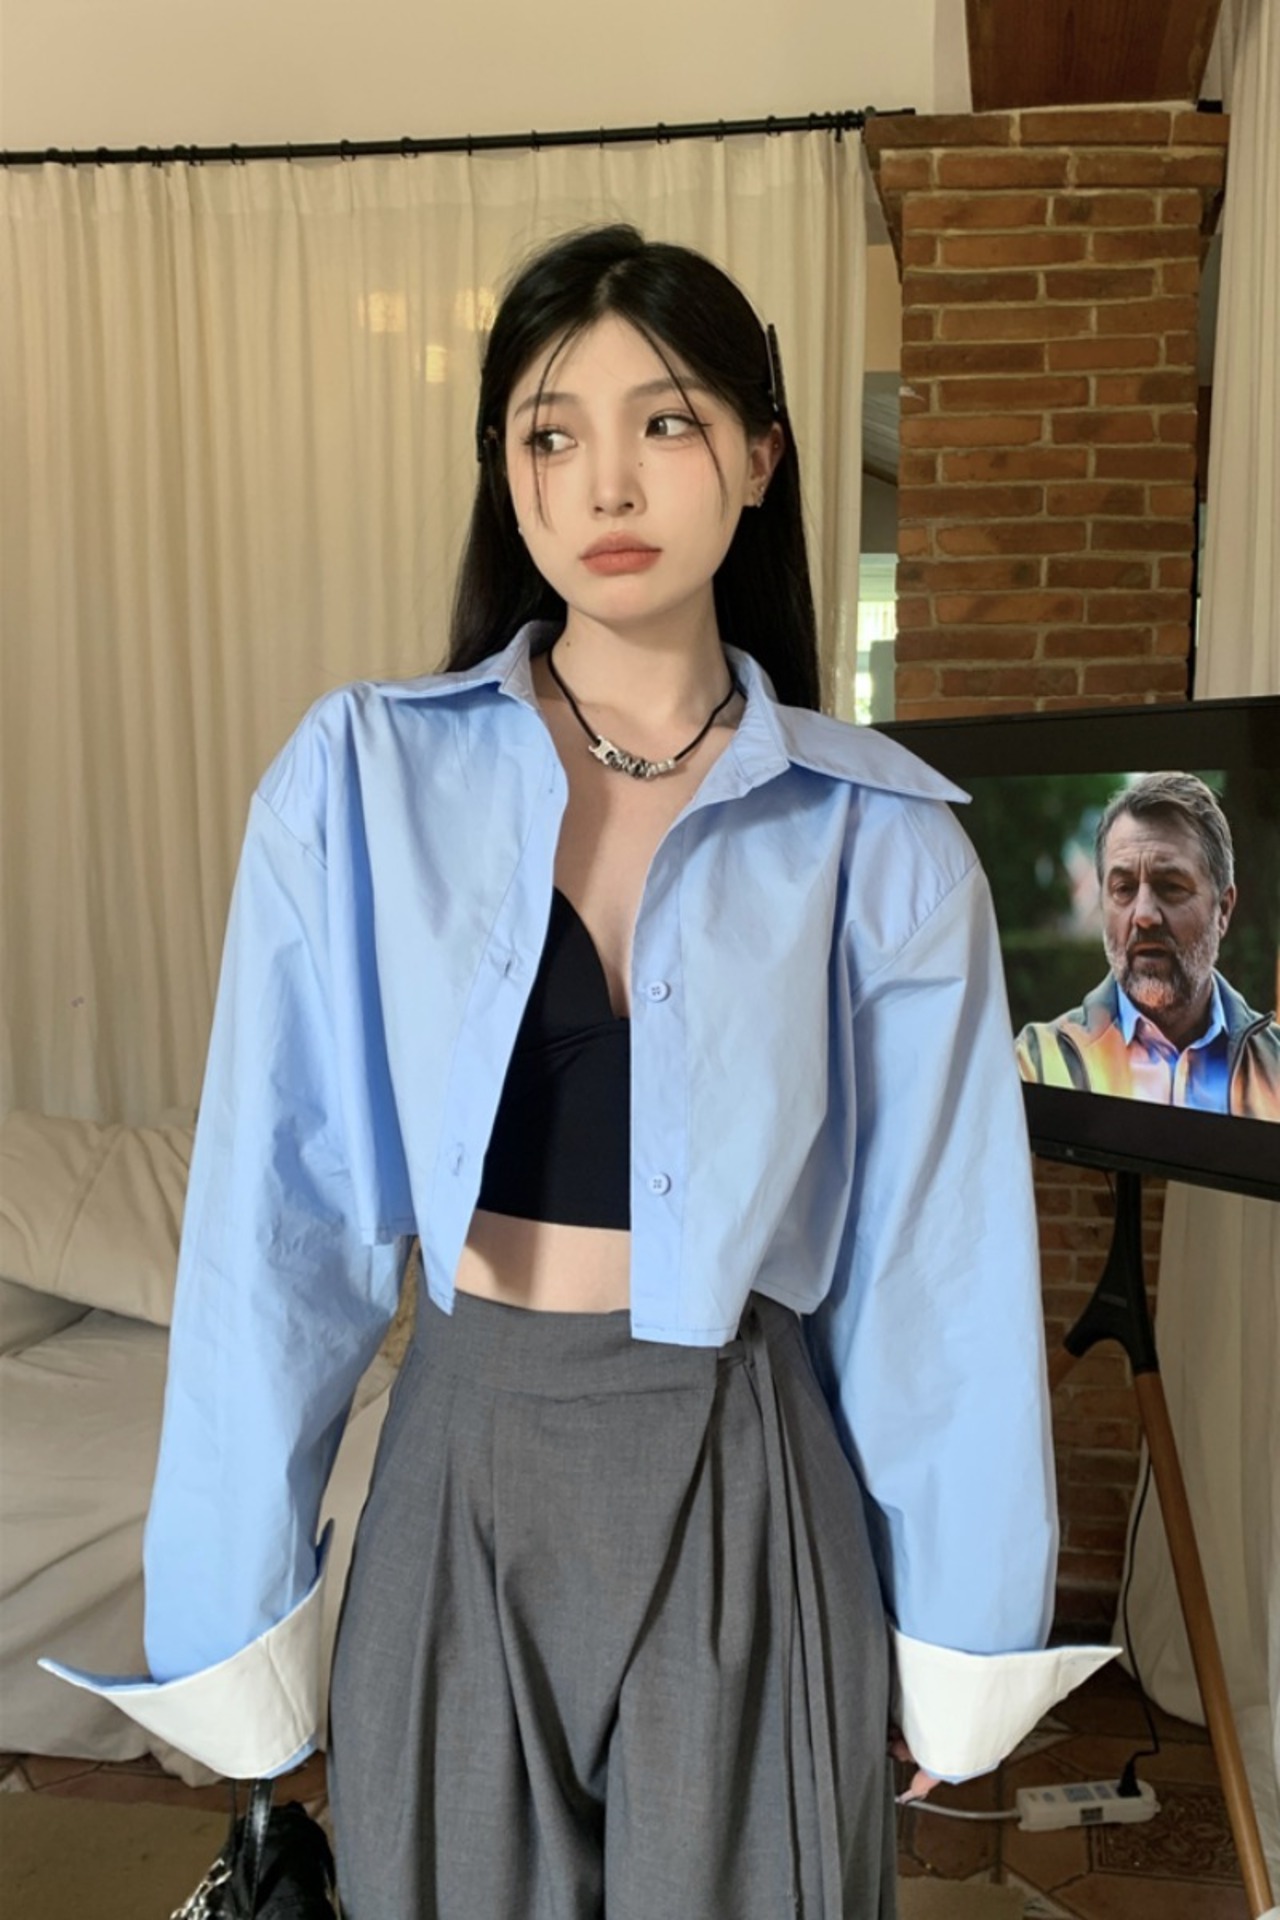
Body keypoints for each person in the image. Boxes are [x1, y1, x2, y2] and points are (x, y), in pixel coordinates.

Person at [45, 225, 1111, 1919]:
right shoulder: (360, 781)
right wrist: (230, 1618)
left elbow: (933, 1268)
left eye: (666, 421)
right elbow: (277, 1222)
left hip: (747, 1471)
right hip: (464, 1459)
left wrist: (960, 1629)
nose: (606, 479)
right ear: (508, 471)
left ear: (759, 455)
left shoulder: (881, 836)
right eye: (552, 432)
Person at [1016, 771, 1280, 1119]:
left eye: (1170, 886)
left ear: (1223, 910)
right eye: (1124, 888)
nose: (1143, 915)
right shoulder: (1036, 1065)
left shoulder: (1275, 1068)